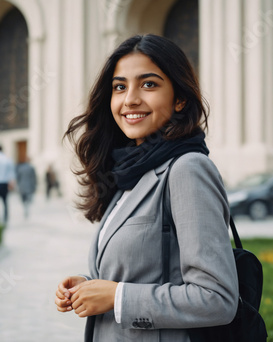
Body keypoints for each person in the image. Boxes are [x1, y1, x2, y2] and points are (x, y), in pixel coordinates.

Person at [56, 34, 238, 341]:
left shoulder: (187, 169)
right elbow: (147, 271)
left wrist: (117, 297)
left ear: (179, 98)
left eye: (149, 84)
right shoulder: (130, 172)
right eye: (120, 86)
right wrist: (88, 285)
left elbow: (217, 299)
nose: (130, 99)